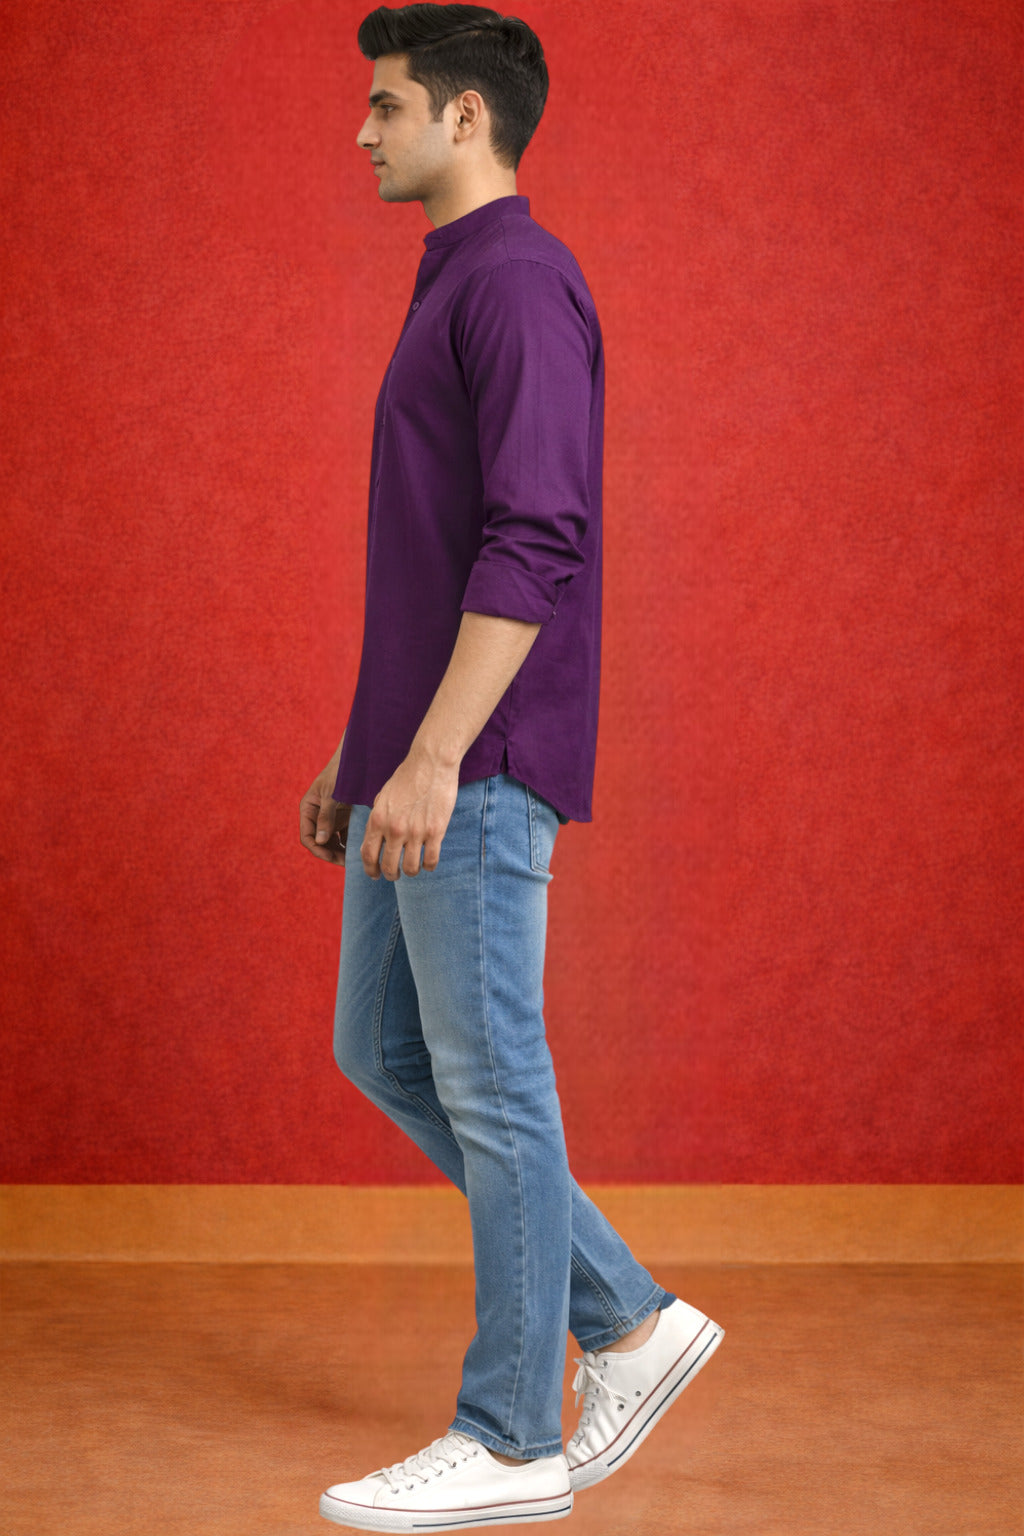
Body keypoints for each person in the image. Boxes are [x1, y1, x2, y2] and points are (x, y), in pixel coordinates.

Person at [299, 5, 723, 1529]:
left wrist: (431, 756)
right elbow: (427, 556)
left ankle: (512, 1438)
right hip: (415, 752)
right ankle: (630, 1319)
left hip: (474, 759)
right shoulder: (454, 279)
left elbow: (538, 537)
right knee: (385, 1049)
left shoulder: (522, 280)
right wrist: (363, 751)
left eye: (386, 104)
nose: (363, 130)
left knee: (492, 1078)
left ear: (463, 116)